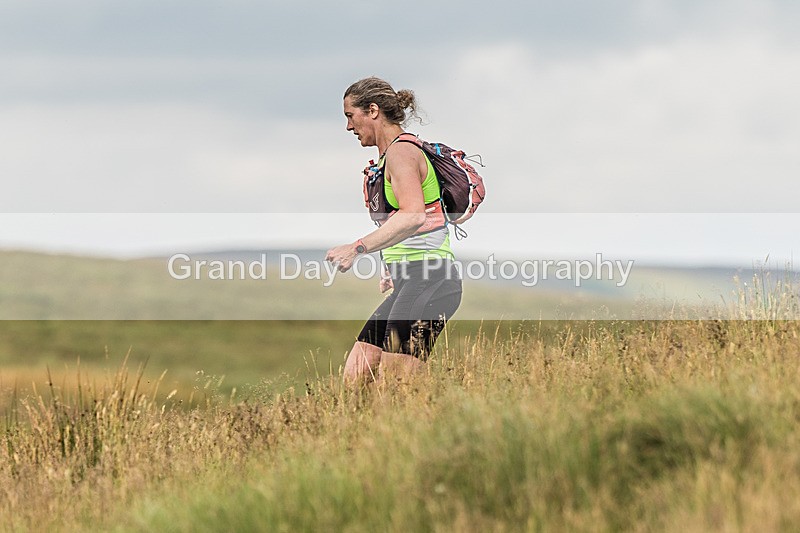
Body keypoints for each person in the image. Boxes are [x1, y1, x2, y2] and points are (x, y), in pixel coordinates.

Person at [325, 76, 462, 385]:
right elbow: (407, 220)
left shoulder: (402, 153)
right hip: (410, 278)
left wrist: (357, 247)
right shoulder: (390, 157)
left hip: (430, 277)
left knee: (396, 387)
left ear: (372, 110)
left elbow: (412, 215)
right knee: (357, 375)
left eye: (350, 115)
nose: (348, 126)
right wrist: (391, 263)